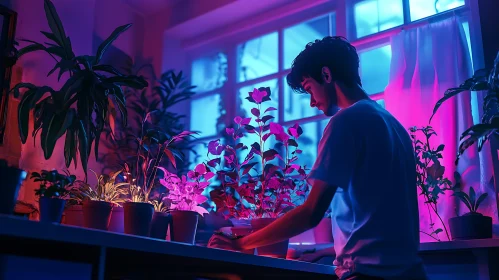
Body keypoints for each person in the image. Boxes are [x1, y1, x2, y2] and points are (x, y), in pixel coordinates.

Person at [208, 36, 427, 280]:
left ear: (326, 74)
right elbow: (379, 217)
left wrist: (241, 244)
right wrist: (326, 250)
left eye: (310, 88)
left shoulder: (346, 122)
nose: (312, 102)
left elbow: (312, 212)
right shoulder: (393, 125)